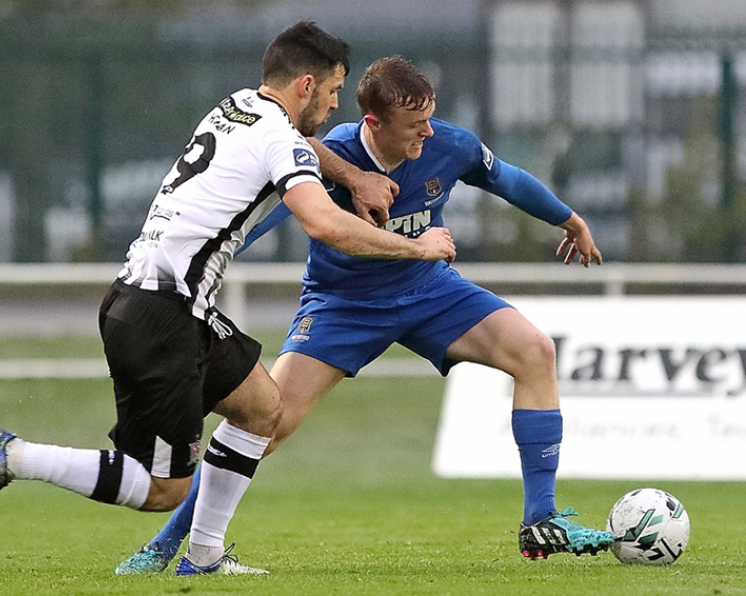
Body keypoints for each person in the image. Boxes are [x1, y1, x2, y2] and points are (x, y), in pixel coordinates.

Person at [0, 28, 456, 577]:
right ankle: (13, 456)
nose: (337, 103)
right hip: (161, 313)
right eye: (334, 90)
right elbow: (323, 222)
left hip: (166, 304)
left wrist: (355, 175)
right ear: (307, 84)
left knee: (262, 408)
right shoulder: (278, 140)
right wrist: (418, 247)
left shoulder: (240, 105)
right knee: (162, 489)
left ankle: (204, 555)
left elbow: (303, 146)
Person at [115, 55, 613, 576]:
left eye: (430, 118)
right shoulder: (332, 156)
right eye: (415, 125)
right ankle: (169, 545)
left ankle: (541, 519)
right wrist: (205, 263)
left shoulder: (451, 144)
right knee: (267, 422)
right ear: (374, 123)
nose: (428, 132)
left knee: (535, 351)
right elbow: (256, 217)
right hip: (341, 305)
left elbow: (508, 180)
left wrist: (571, 220)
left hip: (429, 291)